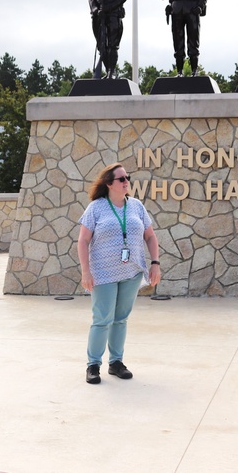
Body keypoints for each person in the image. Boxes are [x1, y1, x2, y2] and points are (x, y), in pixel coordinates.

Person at [77, 163, 161, 384]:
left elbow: (150, 237)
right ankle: (93, 365)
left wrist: (155, 263)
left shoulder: (136, 206)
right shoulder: (96, 208)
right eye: (121, 179)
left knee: (121, 319)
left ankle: (116, 363)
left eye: (127, 178)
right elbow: (83, 241)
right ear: (109, 184)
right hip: (103, 274)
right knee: (102, 319)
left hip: (131, 272)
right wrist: (86, 272)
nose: (126, 182)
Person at [88, 0, 129, 79]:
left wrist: (111, 7)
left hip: (114, 15)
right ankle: (106, 70)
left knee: (113, 45)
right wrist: (95, 10)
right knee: (101, 46)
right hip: (99, 16)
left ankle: (111, 71)